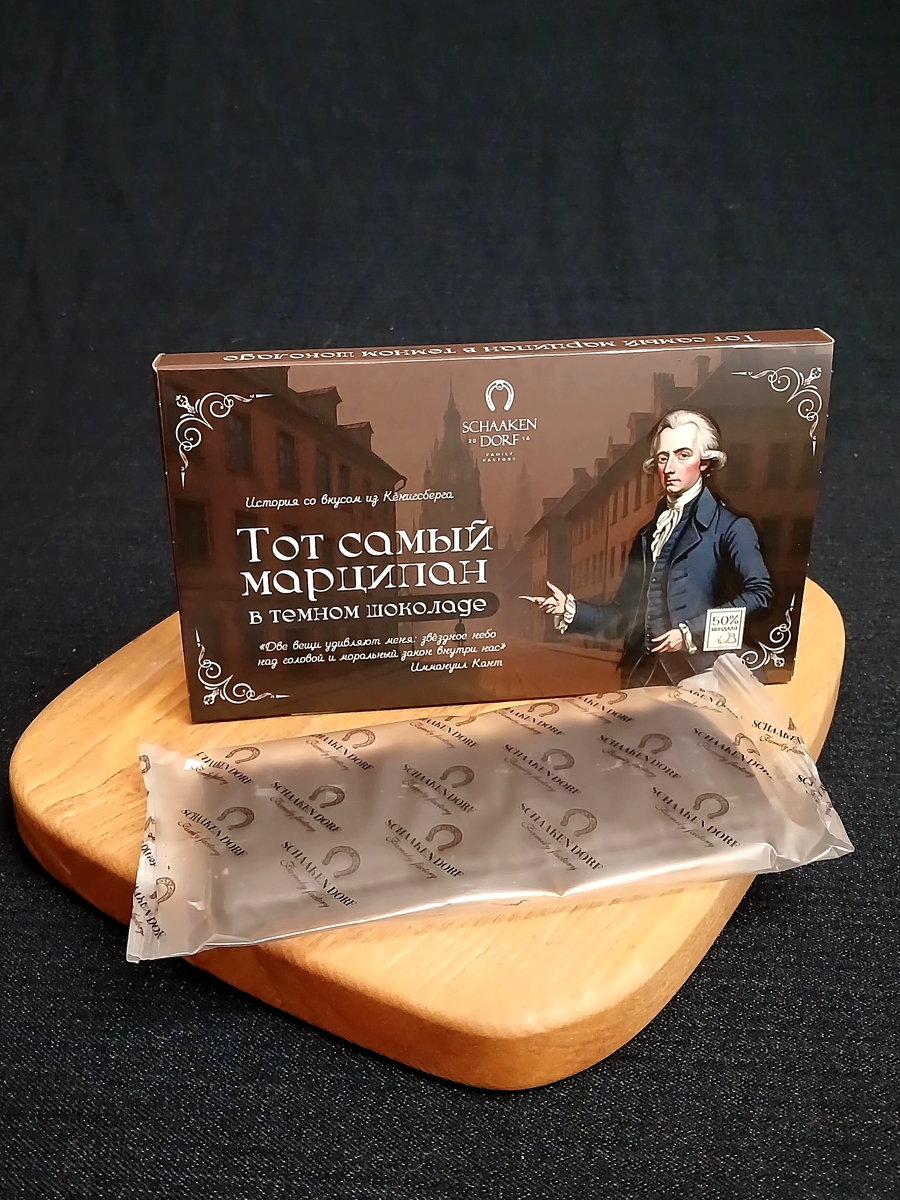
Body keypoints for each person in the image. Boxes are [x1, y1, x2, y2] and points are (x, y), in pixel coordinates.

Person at [522, 409, 773, 685]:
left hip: (702, 675)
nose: (670, 468)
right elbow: (622, 615)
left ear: (704, 462)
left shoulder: (730, 527)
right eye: (663, 458)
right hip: (641, 676)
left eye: (683, 455)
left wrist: (691, 633)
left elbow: (760, 595)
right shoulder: (646, 535)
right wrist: (569, 609)